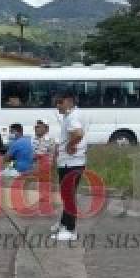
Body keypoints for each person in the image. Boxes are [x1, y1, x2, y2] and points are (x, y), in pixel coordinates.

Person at [51, 91, 87, 242]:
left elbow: (78, 133)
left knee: (69, 196)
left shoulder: (72, 117)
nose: (57, 106)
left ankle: (71, 230)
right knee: (67, 195)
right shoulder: (70, 115)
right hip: (69, 162)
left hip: (72, 163)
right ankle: (64, 223)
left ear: (69, 101)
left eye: (60, 102)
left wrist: (71, 146)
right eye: (56, 103)